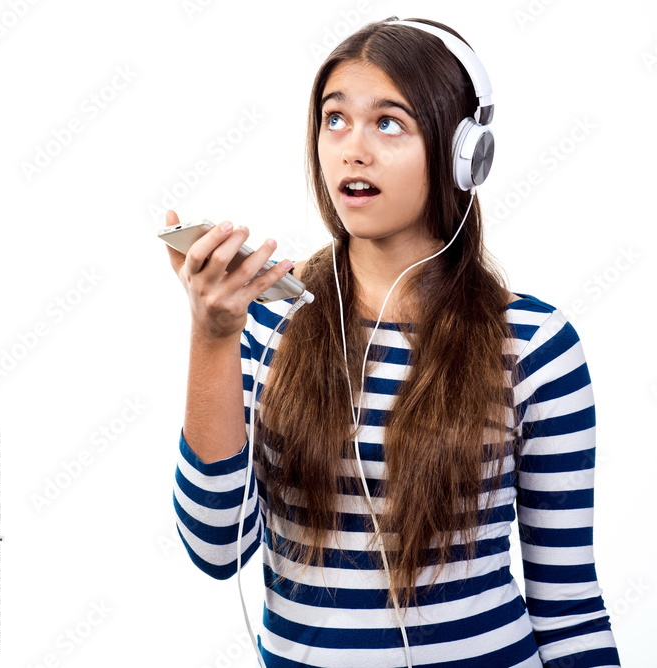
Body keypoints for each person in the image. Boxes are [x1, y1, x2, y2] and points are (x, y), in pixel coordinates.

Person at [165, 17, 620, 668]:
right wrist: (212, 335)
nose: (352, 148)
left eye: (388, 123)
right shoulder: (264, 320)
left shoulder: (536, 344)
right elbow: (215, 547)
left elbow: (568, 601)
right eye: (335, 119)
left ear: (463, 153)